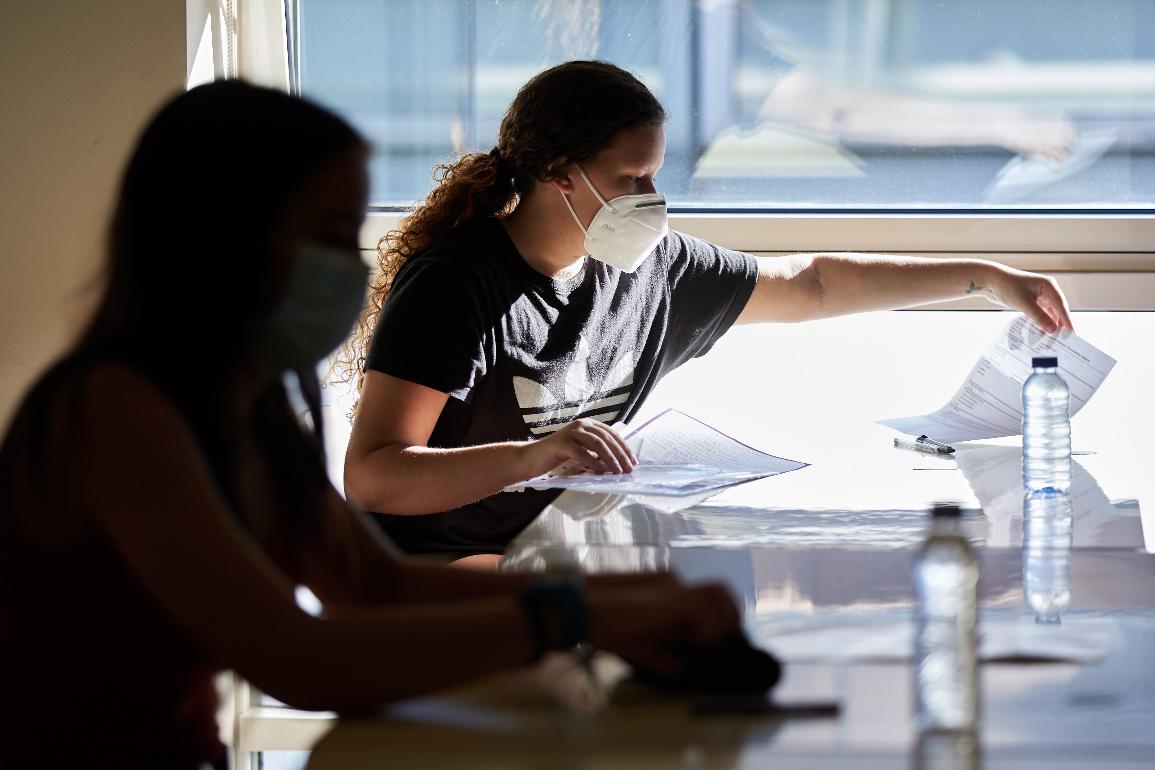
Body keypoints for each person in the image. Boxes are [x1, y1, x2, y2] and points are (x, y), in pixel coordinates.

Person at [0, 80, 741, 770]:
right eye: (325, 234)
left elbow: (372, 581)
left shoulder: (249, 404)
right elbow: (300, 658)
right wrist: (580, 622)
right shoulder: (114, 412)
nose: (346, 268)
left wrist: (629, 604)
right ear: (220, 235)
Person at [339, 60, 1075, 561]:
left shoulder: (653, 267)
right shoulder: (455, 284)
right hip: (434, 581)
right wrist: (534, 456)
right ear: (558, 174)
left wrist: (983, 277)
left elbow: (810, 284)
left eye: (656, 173)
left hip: (556, 564)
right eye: (630, 177)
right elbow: (375, 477)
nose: (651, 199)